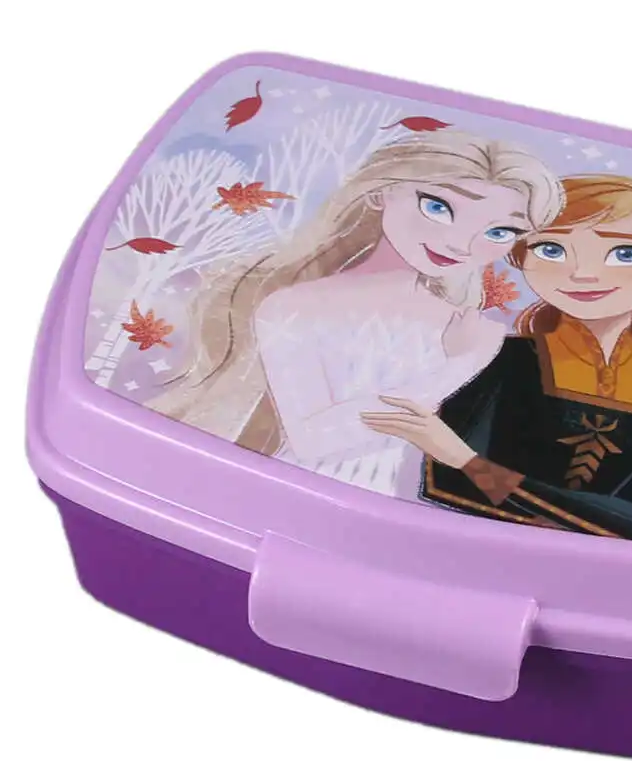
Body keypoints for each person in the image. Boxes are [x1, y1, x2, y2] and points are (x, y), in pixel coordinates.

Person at [149, 129, 563, 497]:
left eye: (499, 232)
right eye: (437, 207)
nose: (460, 243)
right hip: (292, 495)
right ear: (382, 192)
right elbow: (312, 439)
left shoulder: (474, 331)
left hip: (400, 510)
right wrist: (455, 367)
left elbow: (485, 465)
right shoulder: (295, 306)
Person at [361, 175, 632, 540]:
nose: (582, 274)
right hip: (462, 544)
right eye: (551, 249)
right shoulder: (496, 355)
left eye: (625, 253)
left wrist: (468, 461)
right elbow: (448, 487)